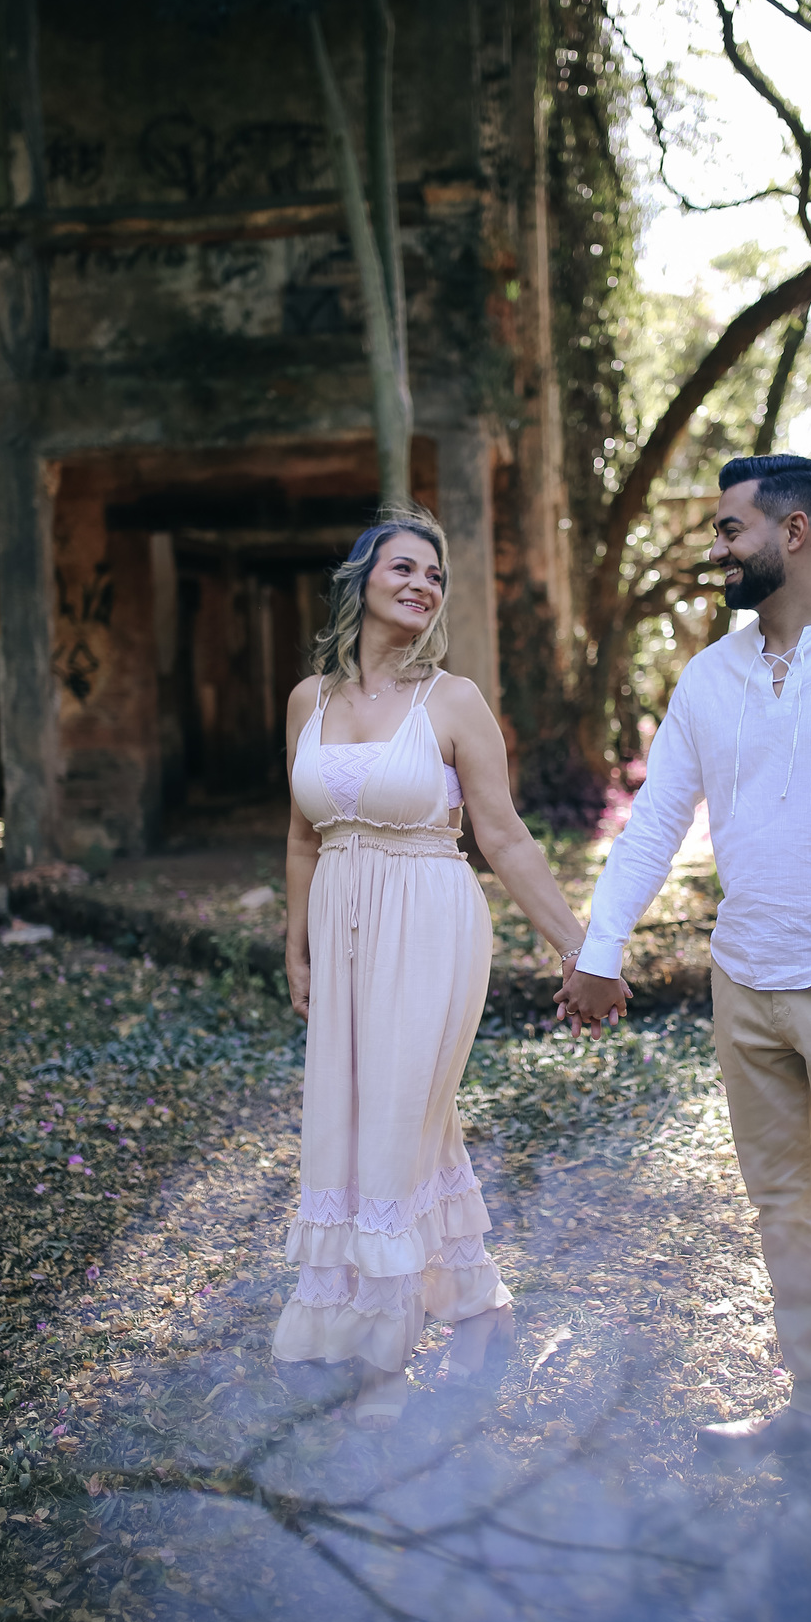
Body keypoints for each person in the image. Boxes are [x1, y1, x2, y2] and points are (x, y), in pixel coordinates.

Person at [558, 454, 811, 1508]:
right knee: (784, 1206)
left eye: (729, 530)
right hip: (744, 982)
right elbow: (657, 820)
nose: (717, 549)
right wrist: (600, 948)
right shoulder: (709, 678)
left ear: (794, 533)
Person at [273, 508, 618, 1430]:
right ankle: (480, 1310)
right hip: (340, 925)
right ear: (361, 581)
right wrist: (297, 945)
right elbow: (303, 838)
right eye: (405, 568)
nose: (423, 584)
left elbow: (504, 836)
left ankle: (381, 1360)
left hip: (430, 921)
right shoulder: (309, 702)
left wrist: (582, 950)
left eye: (435, 575)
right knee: (366, 1122)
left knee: (400, 1119)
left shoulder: (454, 701)